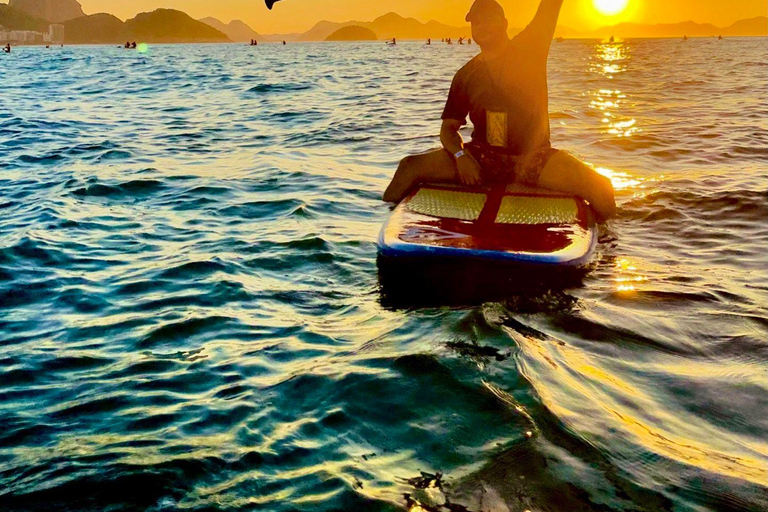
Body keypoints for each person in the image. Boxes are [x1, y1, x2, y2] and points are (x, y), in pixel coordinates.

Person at [382, 0, 616, 220]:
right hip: (484, 158)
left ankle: (609, 251)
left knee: (601, 187)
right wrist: (461, 156)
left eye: (488, 19)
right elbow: (448, 130)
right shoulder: (466, 76)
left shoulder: (530, 47)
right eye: (476, 21)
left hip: (532, 158)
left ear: (504, 24)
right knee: (408, 167)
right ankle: (383, 237)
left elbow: (550, 6)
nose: (482, 25)